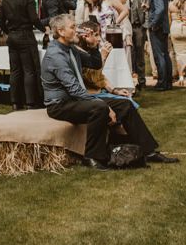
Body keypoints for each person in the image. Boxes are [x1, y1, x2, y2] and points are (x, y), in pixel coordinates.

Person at [42, 14, 177, 170]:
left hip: (73, 100)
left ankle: (148, 151)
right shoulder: (56, 55)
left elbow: (95, 63)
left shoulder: (69, 48)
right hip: (60, 105)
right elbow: (75, 90)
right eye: (73, 27)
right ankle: (92, 156)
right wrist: (104, 105)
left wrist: (92, 46)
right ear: (61, 31)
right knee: (99, 108)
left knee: (125, 104)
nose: (77, 30)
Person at [0, 0, 45, 110]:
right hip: (25, 35)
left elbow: (1, 21)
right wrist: (44, 29)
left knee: (14, 71)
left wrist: (9, 32)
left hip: (12, 37)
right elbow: (34, 19)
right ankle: (31, 102)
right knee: (29, 70)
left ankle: (15, 102)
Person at [146, 0, 172, 90]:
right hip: (164, 26)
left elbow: (160, 9)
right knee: (165, 54)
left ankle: (162, 83)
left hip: (158, 27)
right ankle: (168, 82)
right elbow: (159, 8)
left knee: (159, 55)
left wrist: (153, 24)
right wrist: (148, 7)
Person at [124, 0, 148, 89]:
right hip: (127, 26)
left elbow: (147, 9)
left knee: (140, 54)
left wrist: (145, 25)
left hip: (139, 26)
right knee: (128, 53)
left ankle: (142, 80)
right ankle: (130, 80)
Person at [169, 0, 186, 85]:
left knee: (179, 54)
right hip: (185, 27)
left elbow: (169, 20)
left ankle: (181, 77)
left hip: (175, 29)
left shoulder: (170, 5)